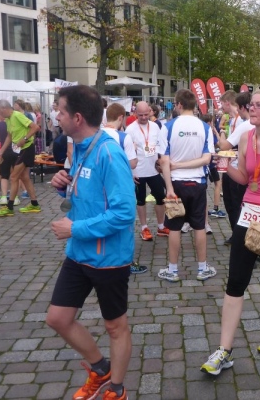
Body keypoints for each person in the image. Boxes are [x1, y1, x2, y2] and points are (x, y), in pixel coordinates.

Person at [46, 85, 136, 400]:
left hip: (109, 257)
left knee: (115, 326)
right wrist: (63, 186)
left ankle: (117, 389)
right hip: (79, 253)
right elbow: (86, 193)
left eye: (60, 111)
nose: (56, 116)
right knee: (58, 318)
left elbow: (124, 213)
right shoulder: (81, 147)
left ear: (77, 117)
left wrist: (75, 228)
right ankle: (101, 369)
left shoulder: (109, 153)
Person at [200, 88, 260, 375]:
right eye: (251, 104)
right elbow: (244, 177)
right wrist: (224, 166)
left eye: (257, 105)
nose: (251, 108)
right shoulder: (246, 137)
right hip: (248, 215)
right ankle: (224, 350)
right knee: (235, 281)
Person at [158, 89, 217, 282]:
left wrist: (169, 188)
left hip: (175, 183)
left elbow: (164, 161)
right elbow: (207, 159)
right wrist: (182, 166)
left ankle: (172, 270)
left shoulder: (168, 126)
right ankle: (202, 268)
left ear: (179, 104)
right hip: (197, 183)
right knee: (199, 226)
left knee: (174, 228)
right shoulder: (205, 127)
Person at [104, 103, 145, 275]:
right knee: (125, 223)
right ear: (121, 117)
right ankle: (126, 262)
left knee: (105, 219)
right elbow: (132, 163)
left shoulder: (96, 134)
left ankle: (106, 256)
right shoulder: (123, 137)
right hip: (121, 186)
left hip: (102, 187)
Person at [126, 101, 168, 242]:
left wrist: (160, 161)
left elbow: (160, 145)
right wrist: (131, 173)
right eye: (140, 115)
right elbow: (127, 153)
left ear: (150, 112)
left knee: (161, 197)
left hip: (154, 170)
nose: (144, 117)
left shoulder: (155, 126)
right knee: (140, 200)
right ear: (135, 113)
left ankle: (161, 226)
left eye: (146, 114)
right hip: (138, 171)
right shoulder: (130, 129)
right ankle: (144, 228)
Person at [0, 99, 41, 217]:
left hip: (27, 148)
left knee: (14, 176)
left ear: (4, 108)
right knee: (24, 177)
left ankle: (9, 207)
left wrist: (24, 139)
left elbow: (35, 127)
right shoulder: (8, 119)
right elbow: (9, 136)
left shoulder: (17, 115)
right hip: (19, 150)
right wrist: (1, 152)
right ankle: (34, 204)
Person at [216, 92, 254, 241]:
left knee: (234, 205)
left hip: (236, 169)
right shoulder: (242, 122)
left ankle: (240, 237)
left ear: (242, 107)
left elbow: (224, 146)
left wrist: (221, 132)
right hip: (243, 168)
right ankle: (240, 236)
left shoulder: (245, 124)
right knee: (237, 205)